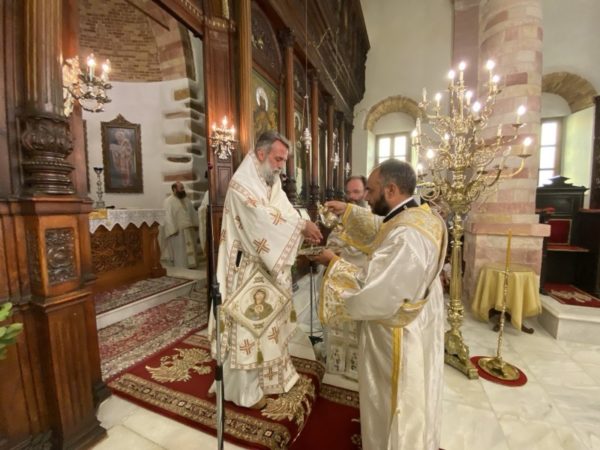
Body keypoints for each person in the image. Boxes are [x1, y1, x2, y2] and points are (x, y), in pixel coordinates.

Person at [310, 159, 447, 450]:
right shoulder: (417, 215)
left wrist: (334, 264)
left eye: (371, 191)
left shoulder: (407, 236)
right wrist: (348, 211)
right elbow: (381, 228)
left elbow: (377, 292)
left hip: (395, 333)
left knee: (391, 399)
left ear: (392, 190)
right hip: (417, 317)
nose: (367, 198)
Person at [208, 130, 322, 409]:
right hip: (246, 269)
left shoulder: (270, 180)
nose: (282, 165)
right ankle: (243, 391)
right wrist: (300, 226)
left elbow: (284, 210)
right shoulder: (241, 184)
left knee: (268, 329)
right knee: (249, 329)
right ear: (261, 154)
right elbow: (260, 219)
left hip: (267, 267)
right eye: (278, 159)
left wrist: (302, 226)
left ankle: (270, 380)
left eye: (284, 160)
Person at [322, 175, 369, 379]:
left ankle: (357, 366)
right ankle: (336, 362)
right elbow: (334, 241)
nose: (352, 197)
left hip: (359, 283)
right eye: (348, 192)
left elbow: (367, 253)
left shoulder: (372, 219)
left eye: (356, 192)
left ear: (366, 193)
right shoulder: (342, 218)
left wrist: (338, 257)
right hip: (337, 279)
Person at [162, 181, 199, 268]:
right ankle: (181, 266)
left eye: (183, 188)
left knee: (190, 248)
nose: (183, 190)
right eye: (181, 188)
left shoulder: (186, 200)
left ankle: (191, 265)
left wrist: (195, 223)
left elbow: (192, 212)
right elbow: (168, 216)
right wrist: (172, 230)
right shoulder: (168, 201)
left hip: (188, 229)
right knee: (180, 251)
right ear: (174, 189)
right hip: (178, 232)